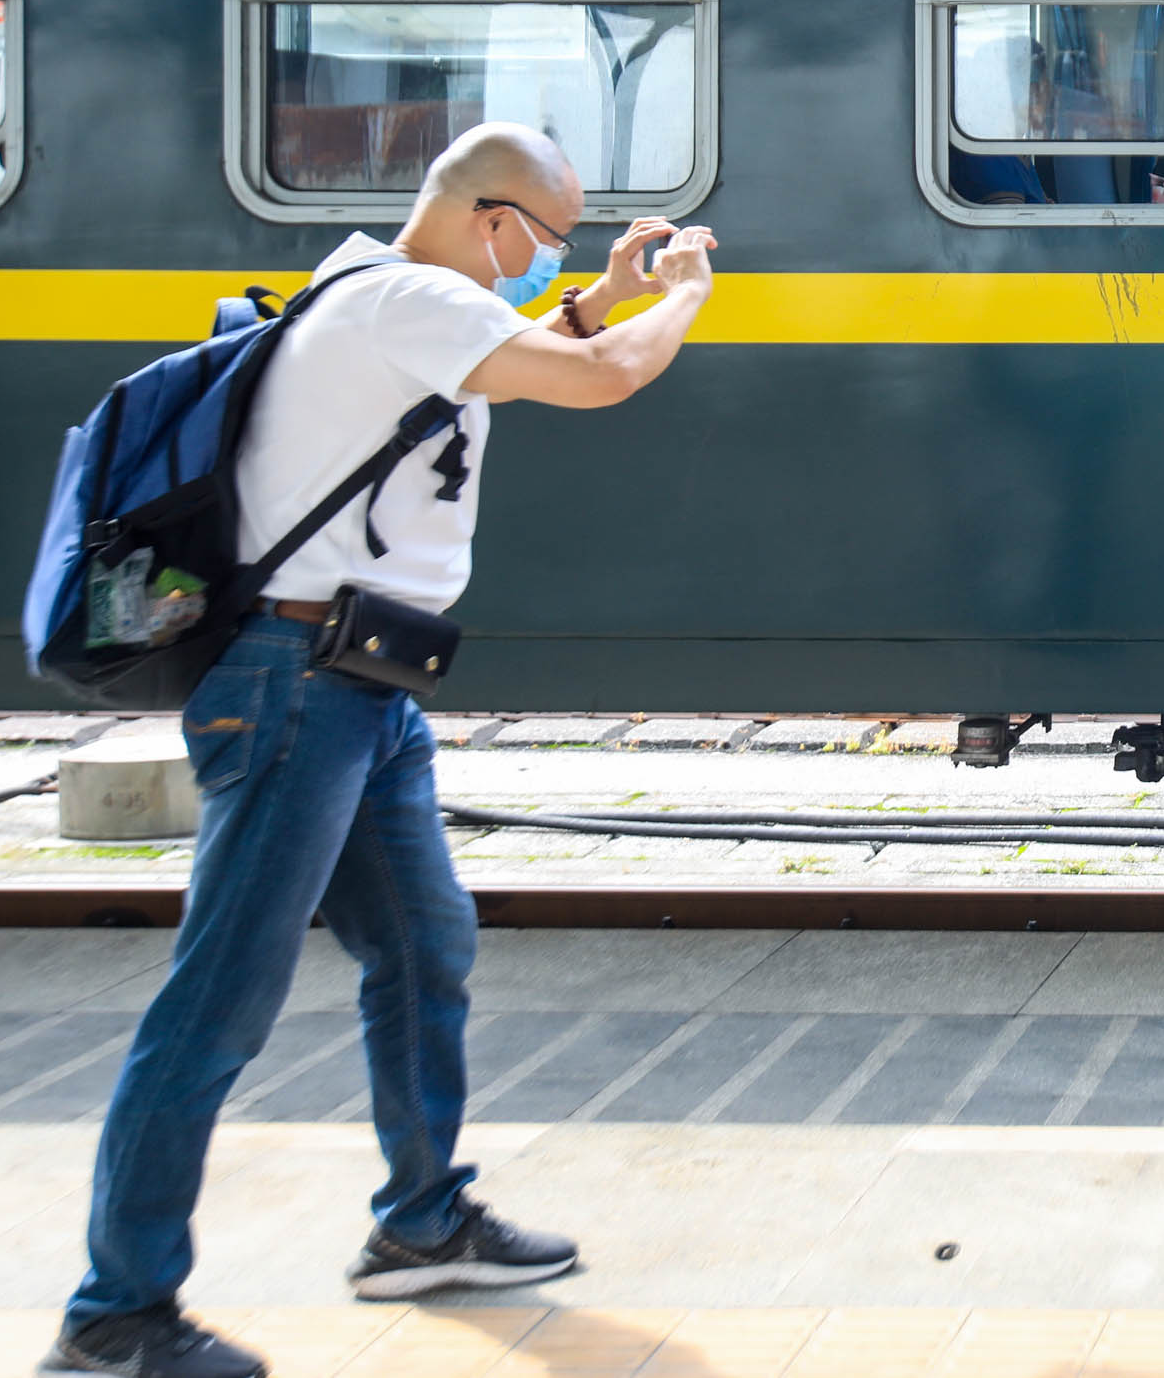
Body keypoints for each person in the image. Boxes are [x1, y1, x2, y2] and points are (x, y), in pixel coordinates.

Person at [44, 124, 721, 1378]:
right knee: (218, 1003)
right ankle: (114, 1313)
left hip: (360, 687)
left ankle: (422, 1222)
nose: (542, 265)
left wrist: (602, 295)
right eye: (544, 240)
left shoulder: (392, 299)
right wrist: (672, 305)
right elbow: (600, 379)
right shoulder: (406, 296)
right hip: (298, 688)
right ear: (487, 219)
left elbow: (529, 354)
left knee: (421, 946)